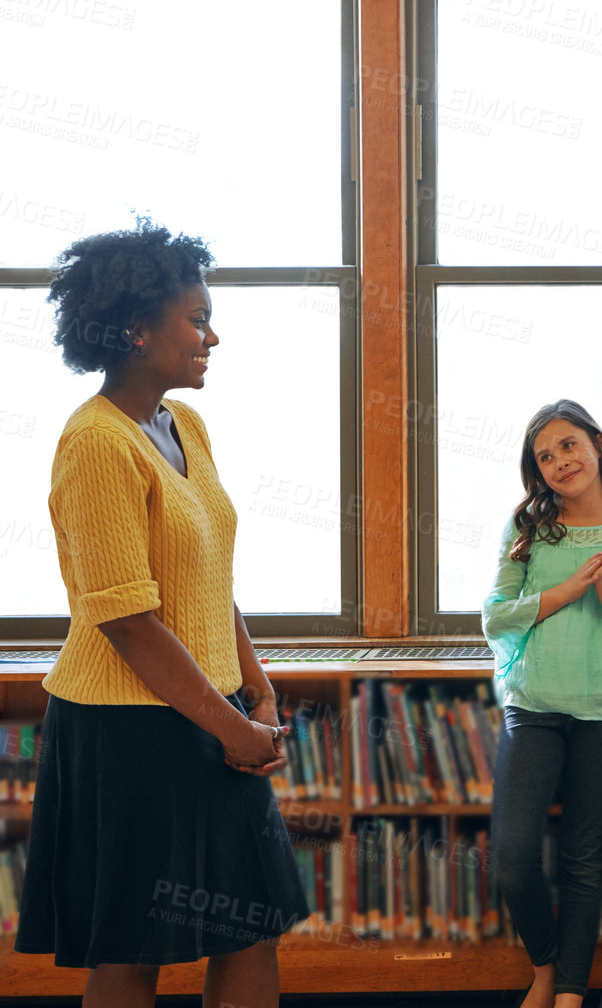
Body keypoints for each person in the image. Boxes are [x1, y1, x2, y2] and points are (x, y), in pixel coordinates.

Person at [17, 220, 308, 1008]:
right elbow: (128, 621)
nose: (214, 334)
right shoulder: (94, 444)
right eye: (198, 318)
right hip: (127, 730)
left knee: (253, 923)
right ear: (138, 330)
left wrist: (259, 689)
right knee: (131, 949)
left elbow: (209, 575)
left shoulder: (186, 426)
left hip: (212, 713)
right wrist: (233, 727)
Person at [482, 400, 602, 1008]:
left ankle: (569, 994)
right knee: (512, 855)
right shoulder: (527, 528)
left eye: (569, 445)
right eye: (545, 456)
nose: (560, 461)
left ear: (598, 445)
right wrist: (569, 588)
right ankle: (545, 964)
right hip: (532, 706)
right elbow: (495, 616)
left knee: (584, 859)